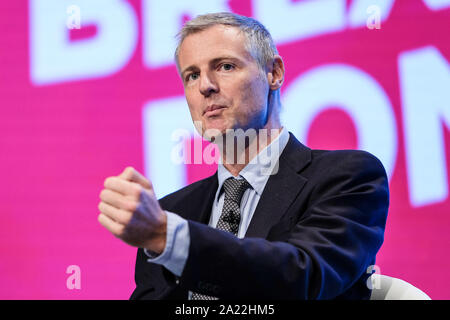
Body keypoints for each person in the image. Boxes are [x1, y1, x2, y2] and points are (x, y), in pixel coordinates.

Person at [97, 12, 389, 300]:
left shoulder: (348, 177)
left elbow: (303, 277)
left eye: (224, 66)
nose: (205, 86)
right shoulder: (172, 210)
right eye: (192, 75)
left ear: (273, 73)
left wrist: (170, 239)